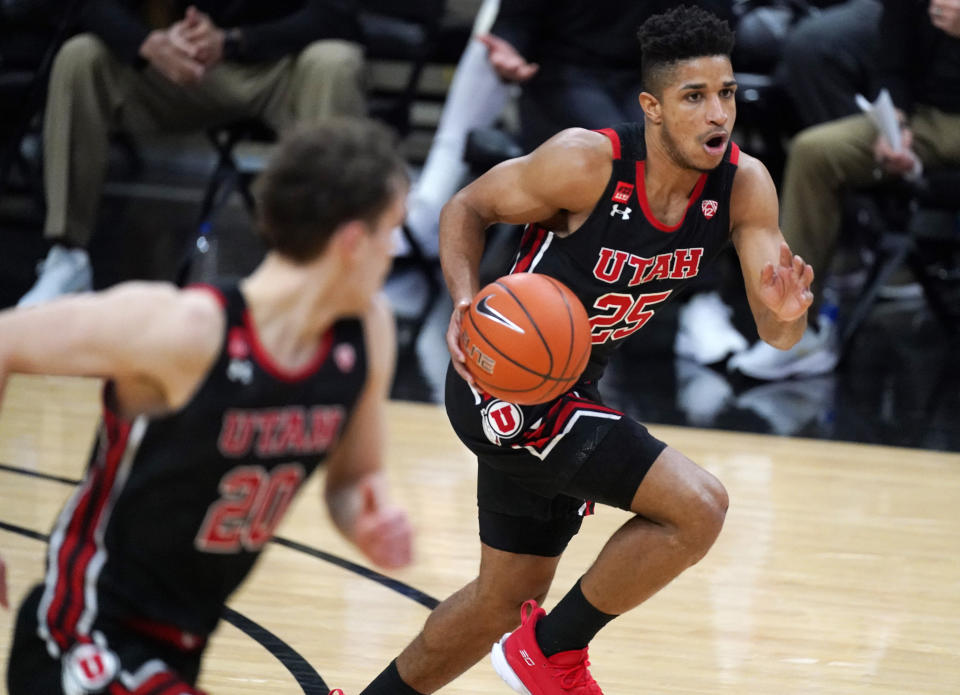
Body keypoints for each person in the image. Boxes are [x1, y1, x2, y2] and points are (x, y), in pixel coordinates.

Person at [361, 6, 814, 695]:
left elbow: (778, 334)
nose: (717, 112)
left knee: (501, 599)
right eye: (694, 97)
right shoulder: (585, 162)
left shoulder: (744, 186)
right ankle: (550, 653)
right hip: (505, 385)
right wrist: (462, 300)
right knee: (700, 506)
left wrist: (786, 316)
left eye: (725, 94)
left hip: (573, 386)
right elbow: (466, 208)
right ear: (653, 108)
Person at [3, 119, 413, 694]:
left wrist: (369, 521)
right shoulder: (187, 330)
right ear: (351, 242)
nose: (396, 251)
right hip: (83, 633)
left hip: (180, 645)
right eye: (391, 230)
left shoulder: (366, 335)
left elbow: (355, 481)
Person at [18, 0, 366, 308]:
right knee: (81, 56)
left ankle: (324, 266)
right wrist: (145, 43)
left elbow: (339, 14)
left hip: (278, 63)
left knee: (334, 62)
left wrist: (234, 42)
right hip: (172, 64)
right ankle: (68, 260)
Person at [728, 0, 960, 380]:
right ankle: (798, 327)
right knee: (814, 152)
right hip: (925, 117)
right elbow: (892, 62)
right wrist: (895, 125)